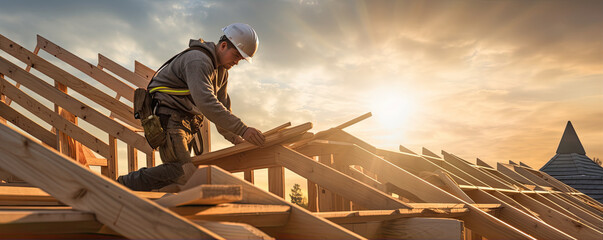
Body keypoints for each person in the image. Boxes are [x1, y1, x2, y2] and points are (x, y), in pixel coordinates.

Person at [117, 23, 265, 191]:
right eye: (236, 55)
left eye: (241, 59)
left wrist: (236, 139)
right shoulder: (198, 60)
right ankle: (120, 186)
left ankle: (147, 202)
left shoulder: (221, 72)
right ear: (223, 45)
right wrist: (243, 129)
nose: (237, 62)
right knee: (181, 171)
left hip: (185, 124)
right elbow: (206, 102)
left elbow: (222, 106)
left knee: (182, 177)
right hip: (169, 119)